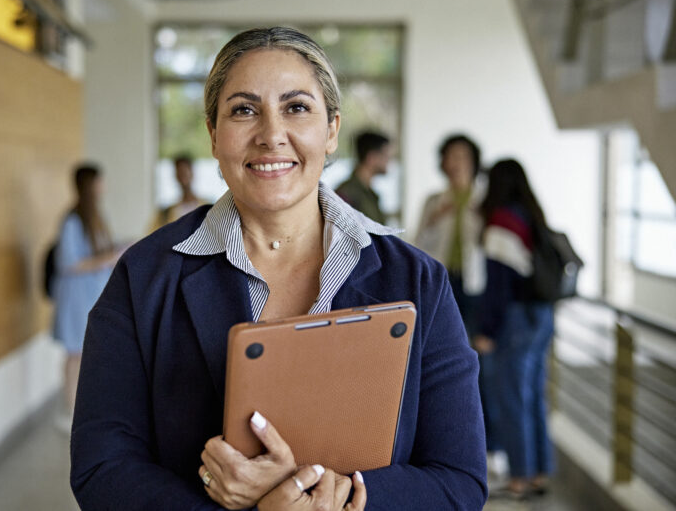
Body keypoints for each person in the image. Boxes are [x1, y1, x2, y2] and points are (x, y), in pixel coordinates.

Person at [70, 27, 487, 510]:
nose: (271, 135)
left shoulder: (418, 282)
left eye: (296, 108)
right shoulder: (143, 278)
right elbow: (102, 467)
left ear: (331, 130)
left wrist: (338, 497)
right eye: (244, 110)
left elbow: (459, 482)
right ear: (212, 133)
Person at [471, 159, 556, 499]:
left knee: (511, 398)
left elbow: (499, 286)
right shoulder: (529, 215)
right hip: (542, 315)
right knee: (533, 395)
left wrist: (487, 331)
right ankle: (539, 473)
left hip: (515, 320)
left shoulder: (501, 222)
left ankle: (519, 477)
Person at [413, 134, 500, 458]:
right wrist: (437, 218)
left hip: (477, 289)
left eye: (462, 156)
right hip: (442, 287)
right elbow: (417, 245)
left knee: (481, 364)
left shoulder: (486, 199)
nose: (455, 162)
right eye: (450, 156)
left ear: (474, 161)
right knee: (442, 362)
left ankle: (490, 446)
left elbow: (493, 244)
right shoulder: (434, 201)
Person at [50, 164, 121, 425]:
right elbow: (69, 263)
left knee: (87, 352)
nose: (104, 187)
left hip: (91, 296)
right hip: (77, 298)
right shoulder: (72, 221)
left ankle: (82, 408)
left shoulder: (95, 217)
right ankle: (70, 411)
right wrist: (108, 258)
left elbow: (98, 252)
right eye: (100, 182)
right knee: (74, 354)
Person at [334, 131, 391, 224]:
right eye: (386, 156)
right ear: (371, 157)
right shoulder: (346, 194)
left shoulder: (371, 195)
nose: (389, 161)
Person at [151, 153, 208, 231]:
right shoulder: (165, 215)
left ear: (192, 172)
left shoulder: (209, 209)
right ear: (176, 175)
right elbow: (151, 237)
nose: (182, 176)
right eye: (179, 172)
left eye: (185, 171)